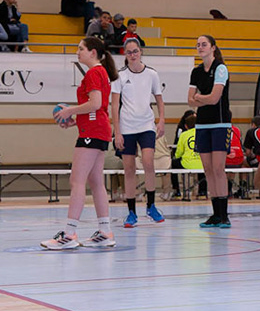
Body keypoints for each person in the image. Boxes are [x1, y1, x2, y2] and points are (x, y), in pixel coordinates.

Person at [41, 36, 117, 250]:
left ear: (93, 52)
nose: (78, 52)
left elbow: (95, 103)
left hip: (93, 132)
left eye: (81, 48)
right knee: (96, 182)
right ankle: (105, 231)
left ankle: (69, 233)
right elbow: (97, 109)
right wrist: (75, 121)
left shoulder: (94, 72)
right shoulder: (100, 72)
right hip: (97, 129)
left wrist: (69, 110)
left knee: (77, 180)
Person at [110, 38, 166, 227]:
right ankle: (131, 212)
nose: (132, 55)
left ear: (141, 52)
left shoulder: (151, 74)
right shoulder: (119, 76)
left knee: (149, 163)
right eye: (129, 52)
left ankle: (151, 206)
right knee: (129, 169)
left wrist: (162, 120)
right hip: (127, 128)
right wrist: (117, 132)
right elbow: (115, 105)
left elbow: (159, 98)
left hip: (146, 126)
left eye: (135, 51)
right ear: (125, 55)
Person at [188, 34, 234, 228]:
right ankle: (215, 214)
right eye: (198, 44)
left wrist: (200, 98)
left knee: (218, 168)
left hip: (220, 124)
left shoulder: (220, 69)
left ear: (213, 47)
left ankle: (224, 215)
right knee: (207, 170)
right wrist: (200, 98)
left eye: (204, 44)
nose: (200, 47)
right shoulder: (196, 71)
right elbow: (190, 100)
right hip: (202, 125)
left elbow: (215, 98)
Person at [170, 109, 201, 197]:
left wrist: (177, 156)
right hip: (202, 163)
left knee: (173, 164)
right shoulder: (202, 133)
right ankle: (203, 192)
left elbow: (178, 153)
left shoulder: (183, 134)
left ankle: (177, 190)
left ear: (186, 126)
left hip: (187, 163)